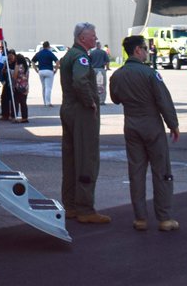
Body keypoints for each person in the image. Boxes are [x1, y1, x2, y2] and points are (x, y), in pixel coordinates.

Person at [110, 35, 180, 232]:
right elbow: (163, 100)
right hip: (152, 125)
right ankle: (164, 218)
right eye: (145, 48)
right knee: (162, 171)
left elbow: (115, 99)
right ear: (138, 50)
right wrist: (173, 124)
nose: (147, 52)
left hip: (131, 124)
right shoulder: (150, 74)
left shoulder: (118, 75)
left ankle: (140, 218)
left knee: (136, 172)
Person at [60, 22, 110, 223]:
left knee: (71, 158)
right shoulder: (80, 57)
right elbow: (80, 81)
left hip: (69, 109)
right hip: (81, 113)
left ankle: (70, 205)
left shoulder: (70, 55)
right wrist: (90, 101)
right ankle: (85, 209)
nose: (95, 38)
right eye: (92, 35)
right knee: (86, 158)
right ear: (82, 38)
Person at [33, 41, 59, 107]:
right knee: (48, 87)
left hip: (41, 71)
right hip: (49, 71)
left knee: (43, 87)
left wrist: (36, 69)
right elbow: (57, 61)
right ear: (48, 46)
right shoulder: (50, 53)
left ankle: (44, 102)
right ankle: (48, 102)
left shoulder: (39, 53)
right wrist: (56, 69)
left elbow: (33, 61)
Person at [12, 53, 30, 123]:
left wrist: (13, 84)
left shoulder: (17, 66)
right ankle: (25, 117)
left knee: (16, 102)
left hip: (18, 86)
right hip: (25, 86)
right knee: (24, 103)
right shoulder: (26, 67)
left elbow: (15, 76)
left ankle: (15, 116)